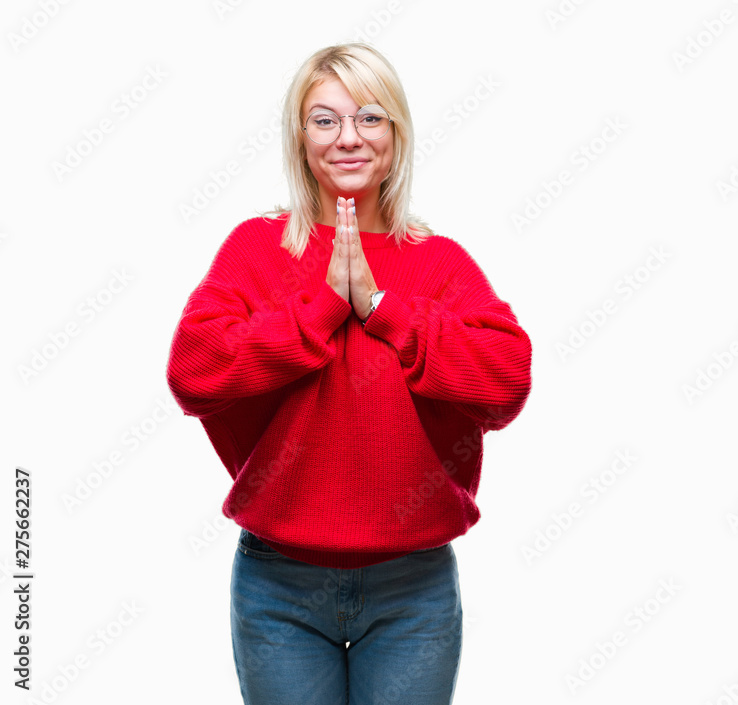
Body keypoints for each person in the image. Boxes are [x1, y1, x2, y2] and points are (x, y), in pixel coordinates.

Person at [165, 42, 532, 705]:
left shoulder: (439, 261)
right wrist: (325, 306)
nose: (347, 138)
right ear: (299, 137)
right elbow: (193, 371)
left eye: (369, 117)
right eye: (324, 120)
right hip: (278, 581)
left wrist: (384, 308)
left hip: (411, 584)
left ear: (395, 132)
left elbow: (505, 385)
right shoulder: (256, 247)